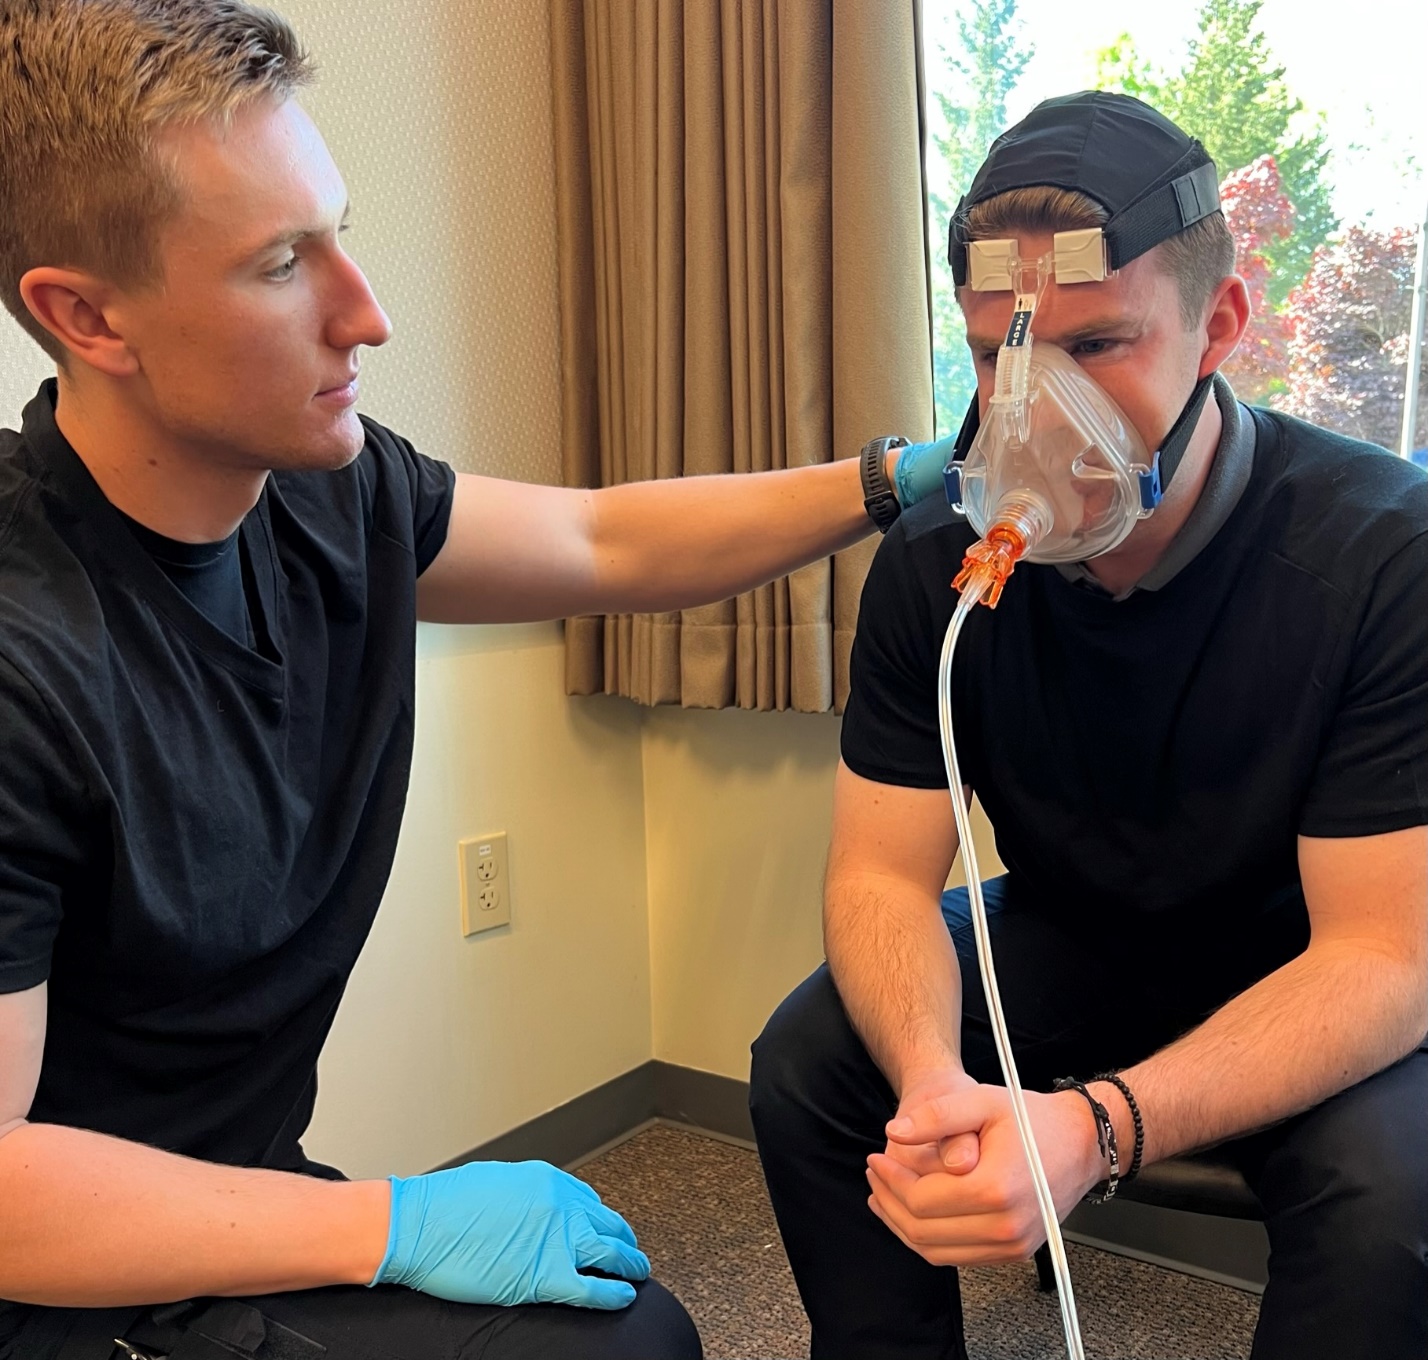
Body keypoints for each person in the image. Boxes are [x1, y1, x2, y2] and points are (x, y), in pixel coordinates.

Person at [0, 4, 953, 1358]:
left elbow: (601, 538)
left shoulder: (325, 498)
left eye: (338, 230)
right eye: (282, 263)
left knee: (631, 1336)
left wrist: (889, 480)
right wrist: (389, 1223)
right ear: (86, 316)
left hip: (225, 1207)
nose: (366, 313)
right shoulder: (24, 654)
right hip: (57, 1283)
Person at [750, 91, 1428, 1360]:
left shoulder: (1384, 556)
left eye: (1098, 345)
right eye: (1001, 353)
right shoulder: (938, 566)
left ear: (1218, 325)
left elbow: (1387, 959)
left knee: (1389, 1199)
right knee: (811, 1062)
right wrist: (933, 1082)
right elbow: (878, 877)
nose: (1032, 414)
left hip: (1312, 963)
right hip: (1077, 933)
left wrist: (1097, 1126)